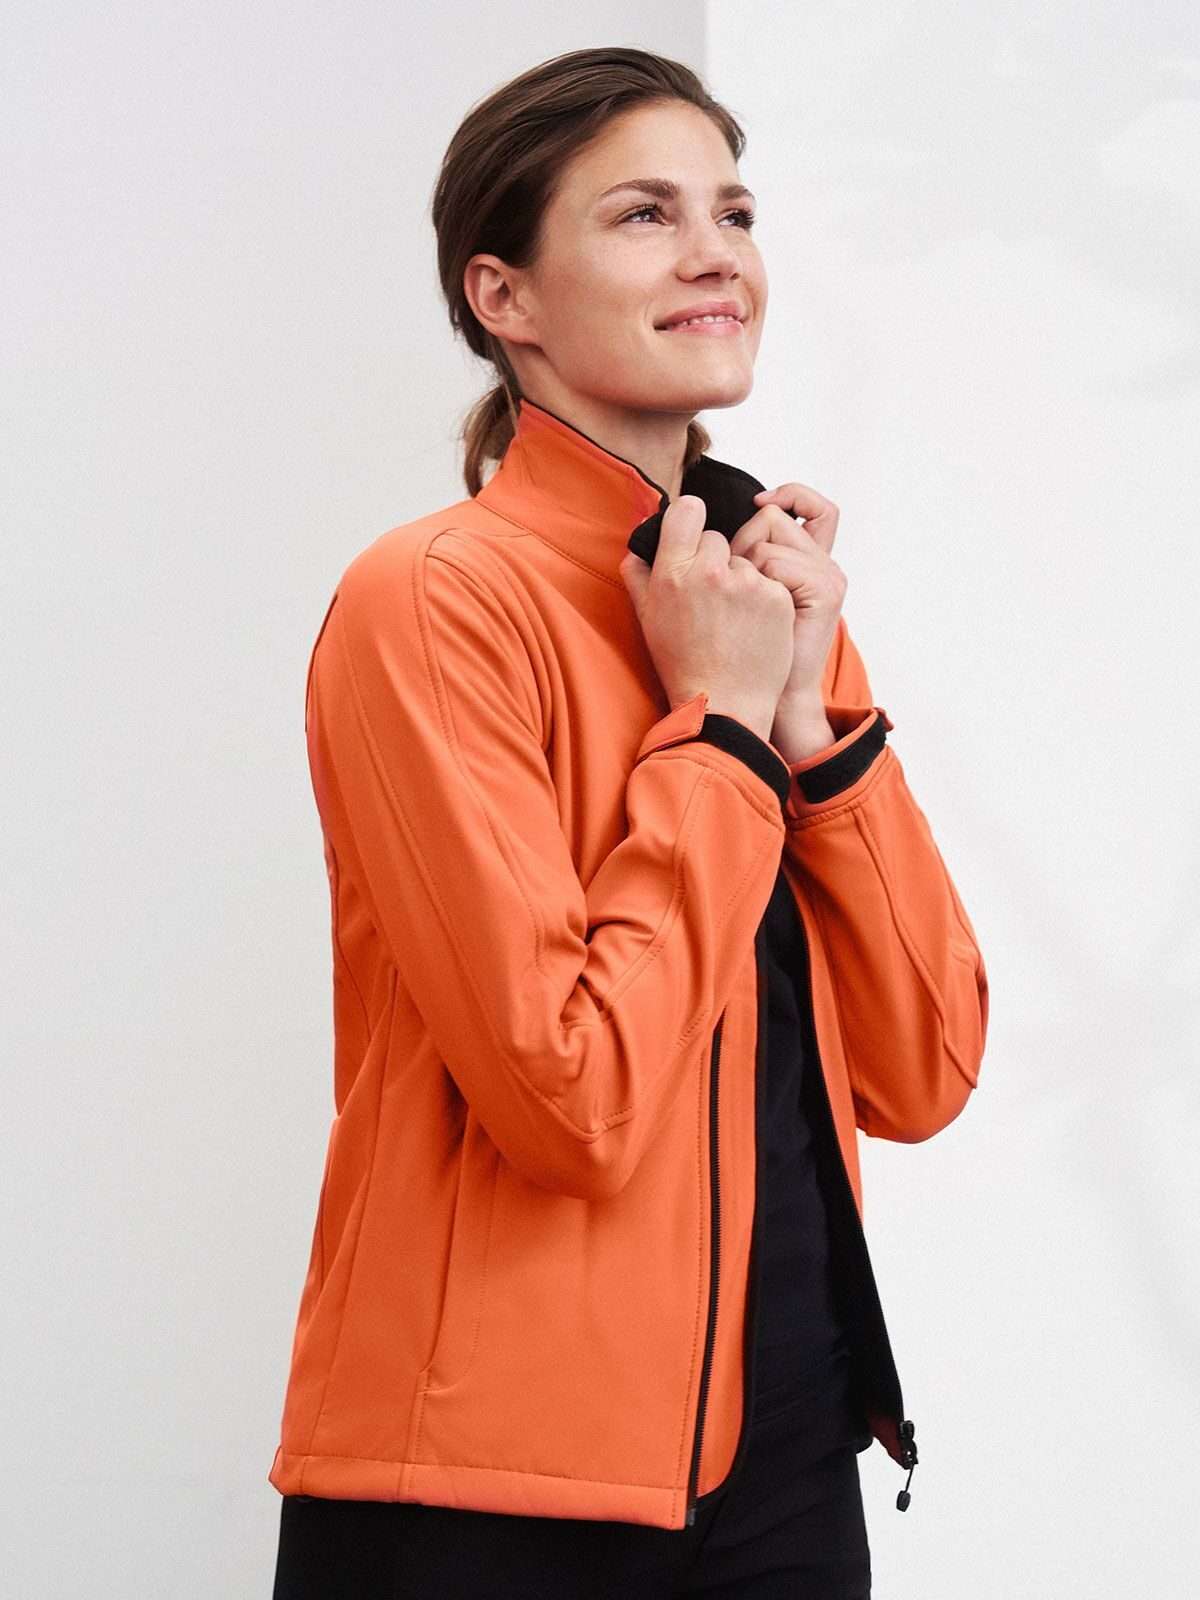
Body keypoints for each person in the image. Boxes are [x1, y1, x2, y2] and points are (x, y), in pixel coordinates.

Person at [269, 45, 989, 1599]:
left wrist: (810, 734)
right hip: (485, 1496)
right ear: (504, 296)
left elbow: (924, 1068)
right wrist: (717, 730)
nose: (716, 252)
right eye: (644, 215)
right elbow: (572, 1101)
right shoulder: (436, 600)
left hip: (788, 1464)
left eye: (734, 211)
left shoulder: (755, 600)